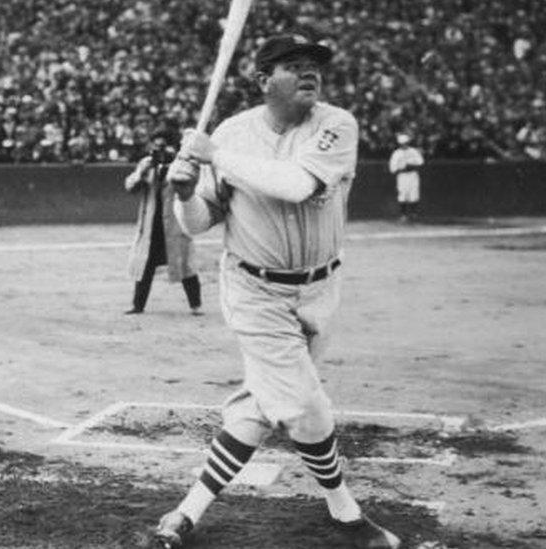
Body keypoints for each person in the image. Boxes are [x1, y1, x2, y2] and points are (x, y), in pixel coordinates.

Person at [153, 35, 400, 549]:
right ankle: (346, 513)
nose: (311, 74)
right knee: (306, 405)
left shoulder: (336, 124)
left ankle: (185, 512)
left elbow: (296, 185)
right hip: (254, 290)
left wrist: (215, 154)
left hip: (322, 288)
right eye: (294, 66)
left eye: (314, 67)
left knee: (262, 409)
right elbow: (199, 222)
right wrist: (182, 193)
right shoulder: (231, 132)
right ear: (264, 80)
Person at [123, 131, 201, 315]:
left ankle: (195, 305)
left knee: (184, 264)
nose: (158, 150)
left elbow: (192, 184)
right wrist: (142, 173)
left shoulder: (181, 164)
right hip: (152, 224)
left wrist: (172, 170)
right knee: (145, 265)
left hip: (175, 223)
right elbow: (129, 186)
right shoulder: (146, 164)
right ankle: (138, 305)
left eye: (162, 145)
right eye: (155, 145)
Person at [388, 133, 424, 223]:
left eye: (406, 143)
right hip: (402, 176)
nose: (404, 145)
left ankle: (413, 215)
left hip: (413, 174)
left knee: (414, 194)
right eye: (402, 143)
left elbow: (420, 162)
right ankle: (403, 215)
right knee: (402, 195)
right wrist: (402, 168)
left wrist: (411, 165)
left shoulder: (413, 151)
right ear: (399, 144)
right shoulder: (396, 153)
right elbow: (392, 168)